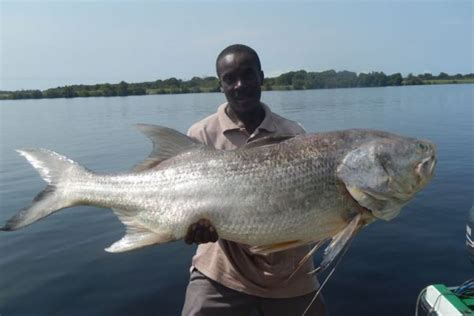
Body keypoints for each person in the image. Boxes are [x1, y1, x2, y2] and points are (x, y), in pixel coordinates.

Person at [181, 44, 327, 316]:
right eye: (229, 78)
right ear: (220, 85)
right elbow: (186, 201)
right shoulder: (201, 134)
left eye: (248, 75)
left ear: (261, 77)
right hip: (221, 270)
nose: (240, 85)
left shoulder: (293, 133)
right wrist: (190, 226)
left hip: (290, 273)